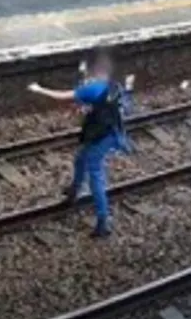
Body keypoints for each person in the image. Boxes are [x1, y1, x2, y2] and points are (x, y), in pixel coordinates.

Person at [29, 49, 130, 238]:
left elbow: (63, 96)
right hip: (111, 132)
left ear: (94, 71)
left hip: (99, 137)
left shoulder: (92, 88)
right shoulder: (114, 87)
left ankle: (103, 221)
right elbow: (123, 107)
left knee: (95, 173)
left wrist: (39, 89)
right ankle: (74, 191)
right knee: (80, 158)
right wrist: (88, 108)